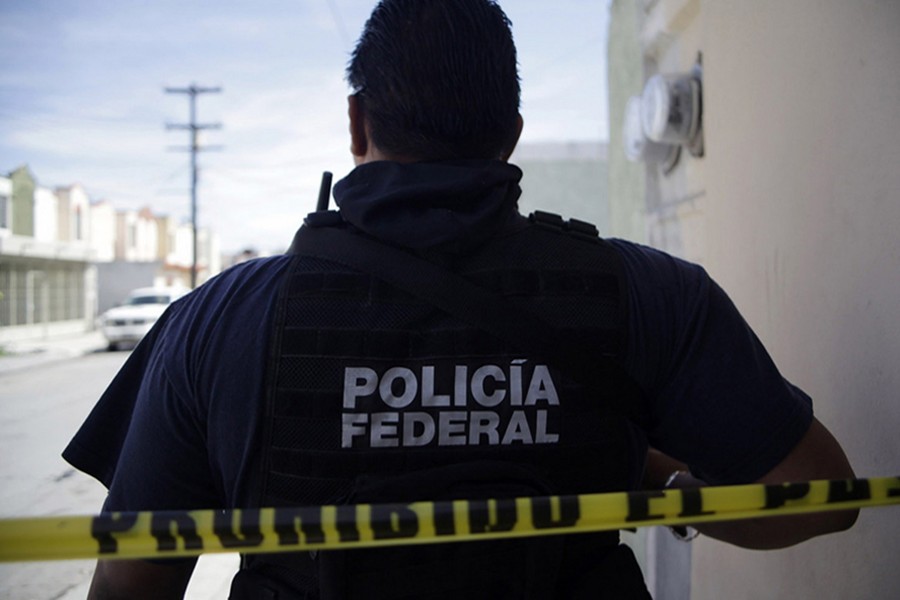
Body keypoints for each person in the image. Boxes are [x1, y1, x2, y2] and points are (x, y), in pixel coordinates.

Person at [64, 1, 857, 598]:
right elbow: (821, 499)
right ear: (509, 133)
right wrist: (673, 490)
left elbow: (132, 588)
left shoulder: (218, 320)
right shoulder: (647, 295)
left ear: (355, 121)